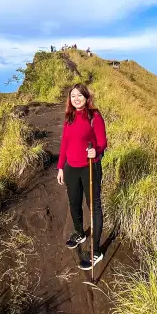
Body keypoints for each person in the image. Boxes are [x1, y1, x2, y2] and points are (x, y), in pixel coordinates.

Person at [56, 82, 107, 269]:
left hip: (90, 167)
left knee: (93, 206)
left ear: (86, 97)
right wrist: (61, 167)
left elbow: (102, 142)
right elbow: (64, 144)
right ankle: (79, 232)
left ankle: (96, 251)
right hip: (71, 167)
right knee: (73, 202)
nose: (76, 98)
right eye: (73, 96)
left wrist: (97, 151)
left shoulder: (94, 116)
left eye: (79, 95)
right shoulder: (69, 117)